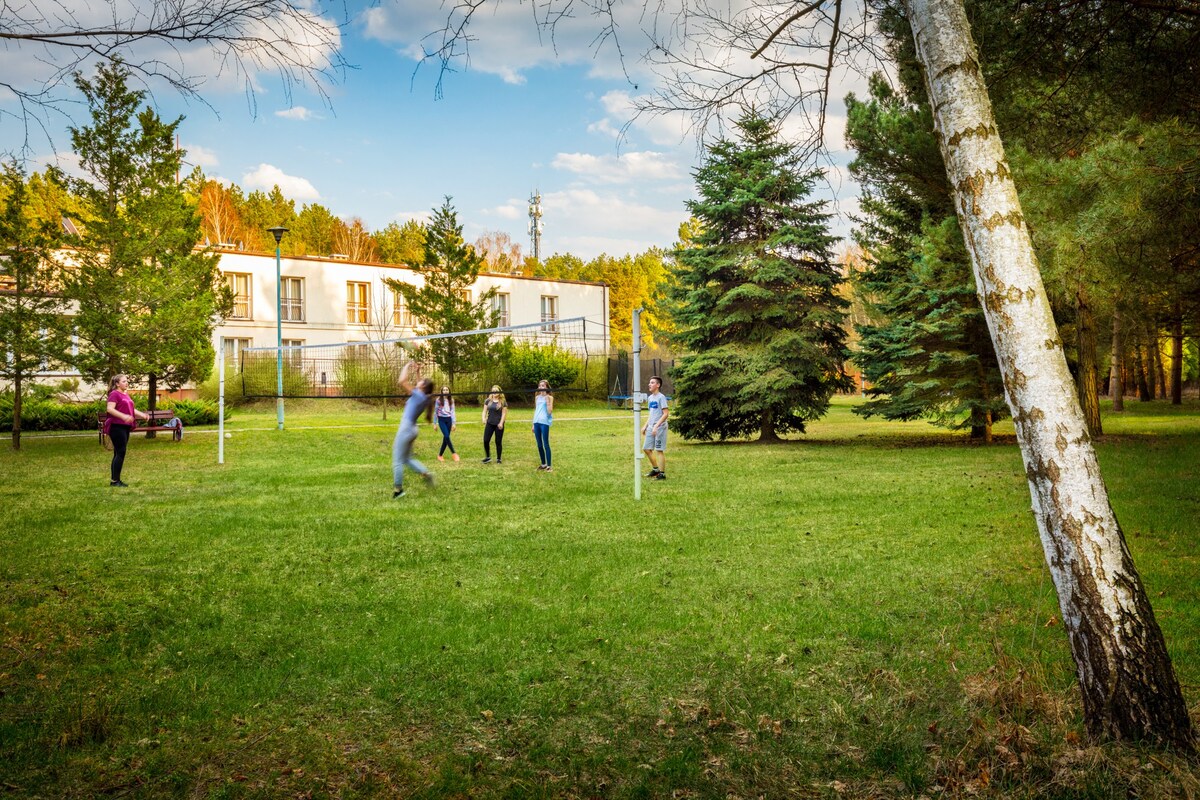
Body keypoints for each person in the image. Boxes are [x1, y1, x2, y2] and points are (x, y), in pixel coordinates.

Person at [392, 361, 436, 499]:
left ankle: (398, 490)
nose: (419, 381)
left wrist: (407, 365)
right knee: (407, 459)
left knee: (398, 460)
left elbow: (401, 381)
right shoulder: (424, 397)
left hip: (406, 428)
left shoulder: (418, 395)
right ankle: (426, 473)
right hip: (413, 429)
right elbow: (420, 385)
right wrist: (417, 372)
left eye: (421, 381)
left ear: (422, 386)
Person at [104, 374, 150, 487]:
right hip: (116, 426)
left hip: (124, 427)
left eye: (126, 381)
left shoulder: (125, 395)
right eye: (124, 381)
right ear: (117, 384)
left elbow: (131, 409)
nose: (126, 383)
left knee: (118, 453)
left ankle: (114, 480)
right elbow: (109, 409)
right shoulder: (114, 394)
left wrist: (142, 415)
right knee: (121, 452)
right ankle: (115, 481)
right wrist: (123, 416)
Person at [641, 375, 670, 481]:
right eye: (650, 382)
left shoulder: (661, 397)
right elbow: (651, 414)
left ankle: (662, 474)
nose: (649, 384)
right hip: (651, 427)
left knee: (659, 450)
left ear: (658, 385)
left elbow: (666, 414)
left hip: (660, 427)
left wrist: (656, 426)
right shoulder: (650, 398)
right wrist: (646, 425)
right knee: (646, 449)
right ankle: (656, 470)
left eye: (652, 382)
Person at [532, 379, 554, 471]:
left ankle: (549, 466)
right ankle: (543, 464)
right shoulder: (537, 398)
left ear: (546, 387)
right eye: (540, 386)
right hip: (537, 422)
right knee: (539, 444)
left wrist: (547, 402)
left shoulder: (549, 397)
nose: (541, 387)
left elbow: (549, 412)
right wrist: (533, 424)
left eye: (543, 386)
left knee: (546, 444)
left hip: (544, 422)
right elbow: (536, 410)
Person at [481, 384, 507, 463]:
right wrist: (483, 418)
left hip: (498, 424)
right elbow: (484, 411)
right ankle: (488, 457)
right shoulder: (488, 401)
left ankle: (499, 459)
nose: (494, 392)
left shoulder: (503, 402)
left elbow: (504, 414)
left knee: (498, 441)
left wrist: (501, 423)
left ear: (499, 392)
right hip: (490, 423)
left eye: (496, 391)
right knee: (486, 440)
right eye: (493, 391)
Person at [433, 385, 459, 462]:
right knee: (447, 436)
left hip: (449, 420)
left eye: (447, 390)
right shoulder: (438, 400)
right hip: (441, 420)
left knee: (445, 438)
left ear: (449, 391)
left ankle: (440, 455)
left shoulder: (451, 400)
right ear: (441, 392)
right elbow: (435, 412)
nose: (445, 391)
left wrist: (454, 423)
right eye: (444, 390)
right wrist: (435, 423)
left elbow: (453, 412)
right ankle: (454, 453)